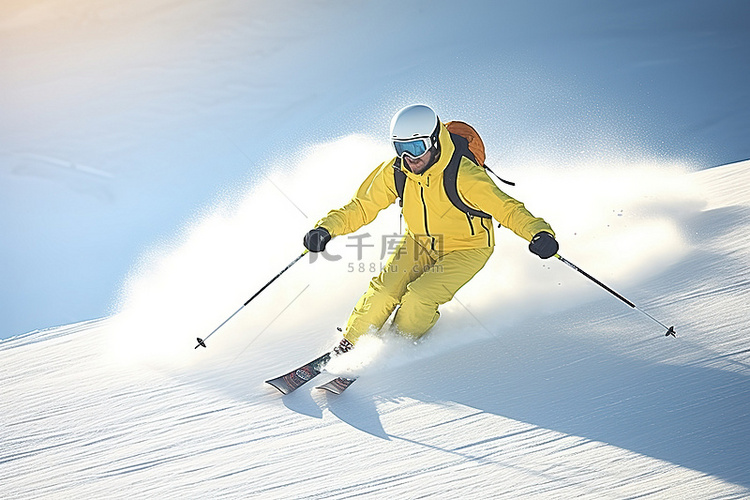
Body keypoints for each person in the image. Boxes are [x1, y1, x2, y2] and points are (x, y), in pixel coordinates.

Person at [303, 104, 558, 354]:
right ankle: (352, 342)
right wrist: (326, 229)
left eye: (416, 147)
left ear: (434, 141)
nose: (409, 158)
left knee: (419, 297)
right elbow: (361, 207)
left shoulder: (464, 174)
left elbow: (508, 209)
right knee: (383, 292)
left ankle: (399, 344)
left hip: (468, 248)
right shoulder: (396, 172)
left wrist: (539, 233)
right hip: (420, 242)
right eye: (401, 148)